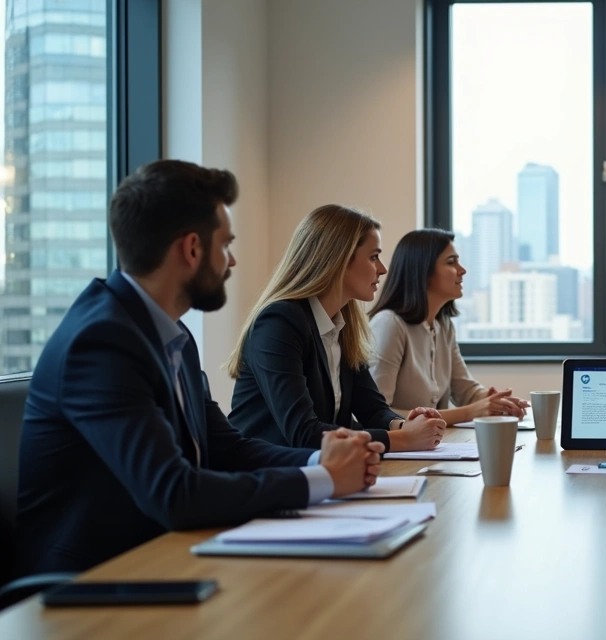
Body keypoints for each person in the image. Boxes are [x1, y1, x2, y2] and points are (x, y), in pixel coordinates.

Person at [16, 160, 383, 576]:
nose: (232, 262)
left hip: (166, 555)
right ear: (191, 249)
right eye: (225, 245)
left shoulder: (172, 336)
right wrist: (324, 479)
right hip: (93, 582)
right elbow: (174, 492)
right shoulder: (100, 342)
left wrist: (322, 459)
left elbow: (229, 448)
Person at [226, 206, 447, 452]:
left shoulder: (344, 326)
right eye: (374, 257)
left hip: (318, 473)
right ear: (339, 259)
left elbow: (372, 409)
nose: (382, 269)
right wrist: (404, 440)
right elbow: (304, 433)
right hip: (265, 478)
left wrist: (403, 425)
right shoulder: (279, 323)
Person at [368, 229, 528, 424]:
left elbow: (466, 391)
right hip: (398, 449)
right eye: (451, 262)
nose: (462, 270)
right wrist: (470, 412)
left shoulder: (443, 325)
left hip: (433, 444)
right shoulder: (389, 324)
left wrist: (495, 402)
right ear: (423, 271)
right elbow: (377, 414)